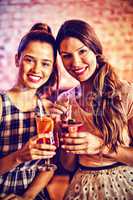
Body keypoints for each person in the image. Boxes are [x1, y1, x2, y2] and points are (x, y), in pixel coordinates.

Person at [52, 19, 133, 199]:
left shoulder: (127, 93)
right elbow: (69, 165)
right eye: (66, 55)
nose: (76, 62)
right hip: (82, 186)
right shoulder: (65, 101)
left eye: (82, 51)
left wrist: (101, 146)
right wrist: (61, 130)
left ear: (95, 50)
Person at [0, 23, 59, 199]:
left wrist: (27, 196)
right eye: (29, 60)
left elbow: (49, 166)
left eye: (45, 63)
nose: (36, 70)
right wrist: (18, 157)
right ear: (17, 59)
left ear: (52, 67)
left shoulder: (48, 110)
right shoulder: (2, 104)